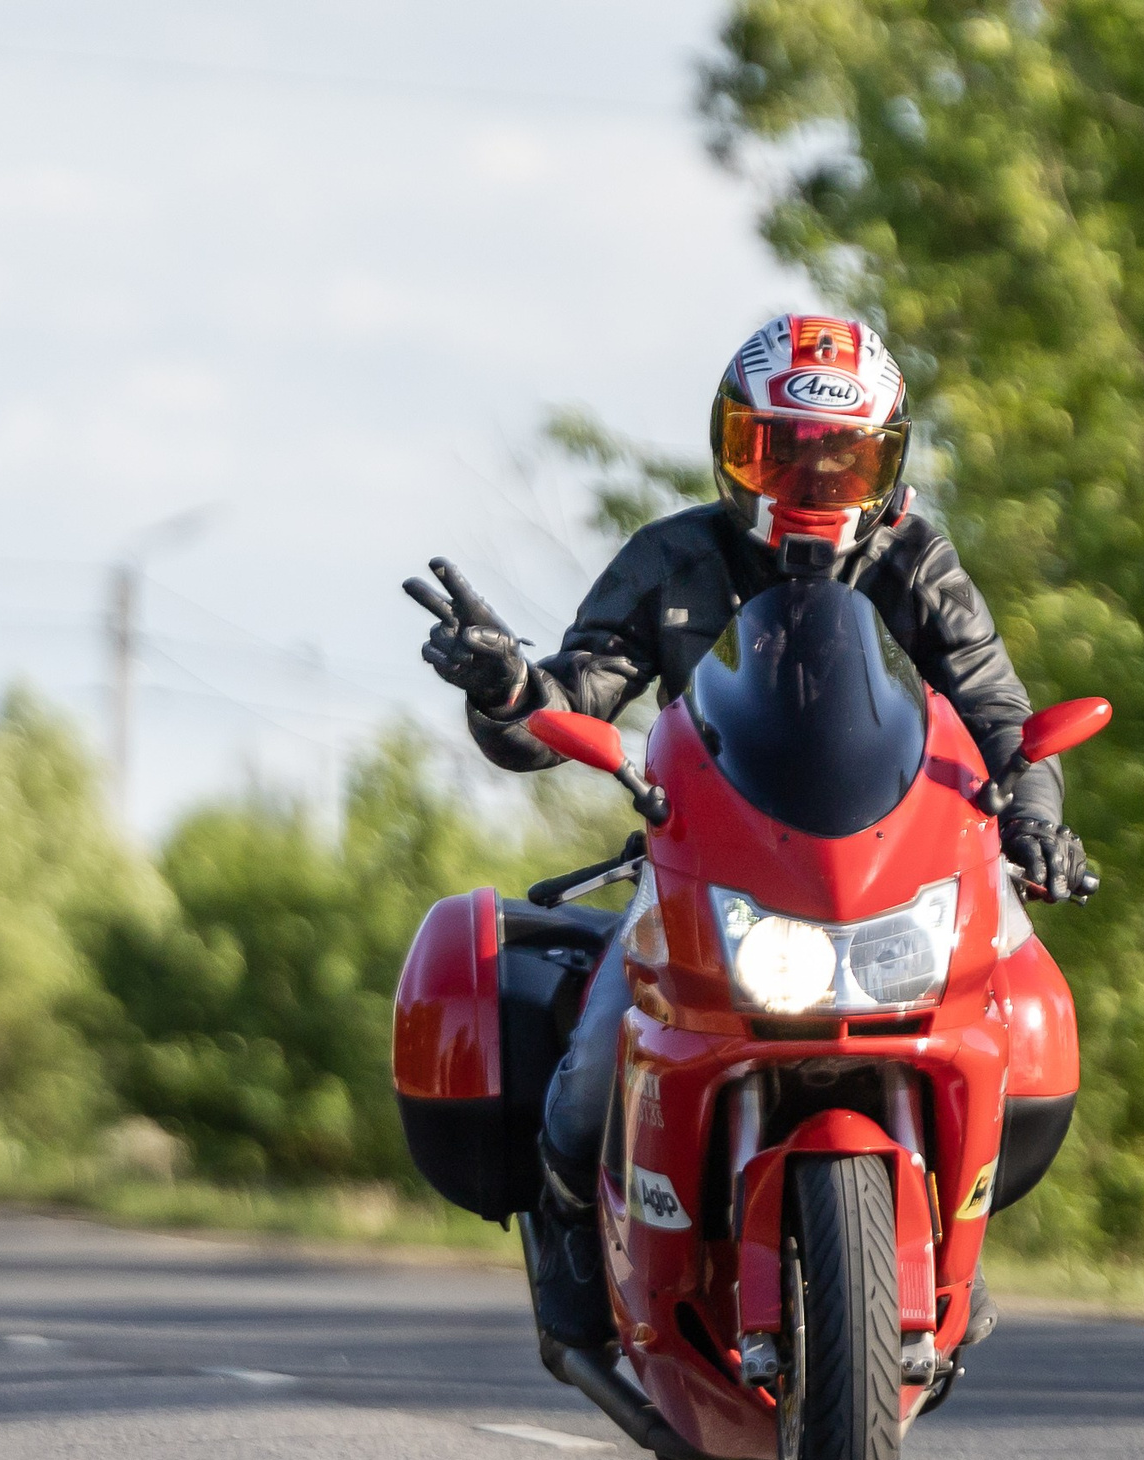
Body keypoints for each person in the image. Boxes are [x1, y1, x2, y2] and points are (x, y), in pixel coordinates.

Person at [410, 313, 1089, 1351]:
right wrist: (509, 687)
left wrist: (1035, 817)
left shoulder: (918, 564)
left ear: (886, 461)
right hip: (701, 867)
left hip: (888, 878)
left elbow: (1002, 716)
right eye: (781, 451)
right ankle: (570, 1243)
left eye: (841, 457)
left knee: (1013, 1016)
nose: (811, 481)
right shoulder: (674, 556)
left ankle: (953, 1250)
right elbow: (571, 703)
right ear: (735, 451)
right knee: (589, 1067)